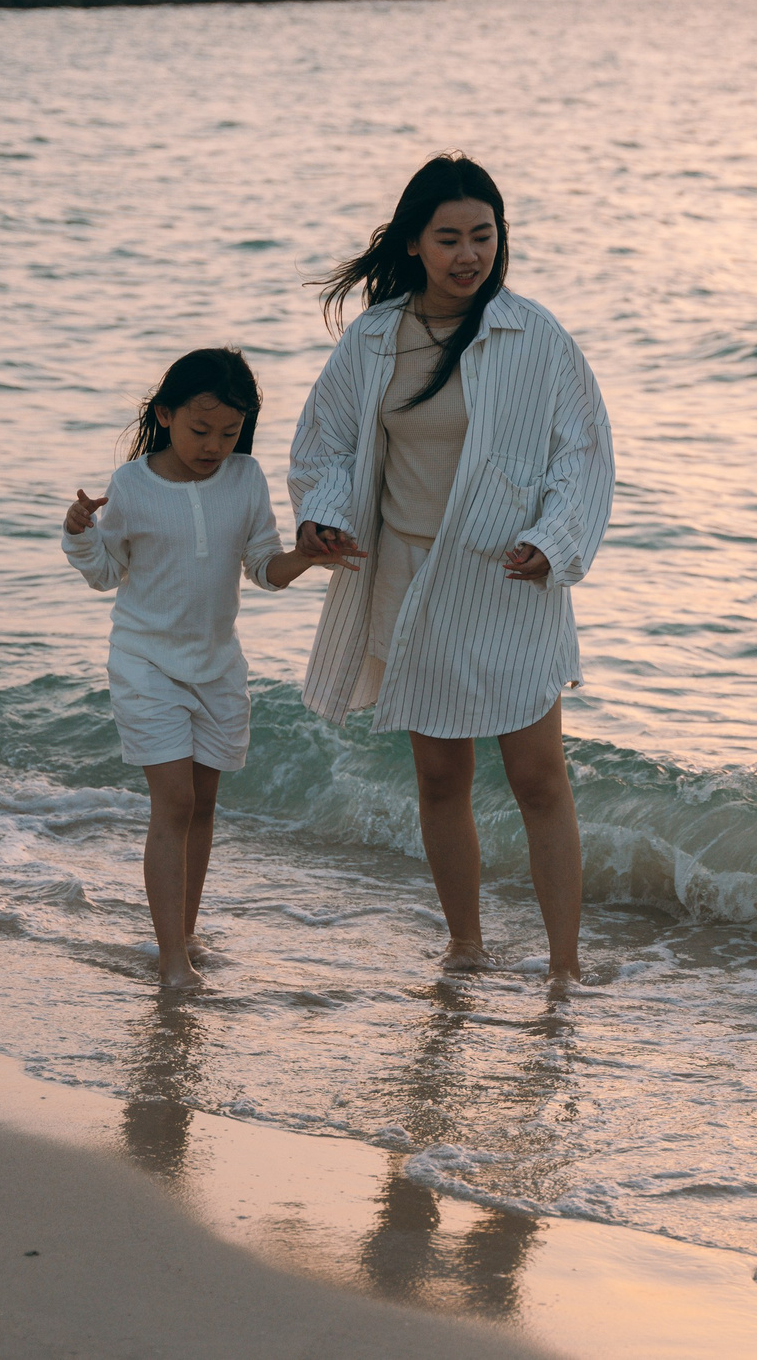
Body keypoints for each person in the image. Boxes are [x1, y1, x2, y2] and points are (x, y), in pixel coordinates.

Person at [289, 154, 614, 988]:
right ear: (413, 243)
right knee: (441, 776)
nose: (469, 255)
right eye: (448, 238)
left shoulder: (536, 336)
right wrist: (322, 514)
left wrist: (555, 540)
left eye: (483, 235)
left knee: (539, 778)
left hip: (510, 575)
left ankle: (565, 966)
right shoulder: (373, 339)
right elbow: (325, 444)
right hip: (410, 576)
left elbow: (583, 454)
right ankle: (465, 945)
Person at [61, 348, 341, 991]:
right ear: (165, 415)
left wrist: (308, 556)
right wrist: (80, 532)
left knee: (205, 804)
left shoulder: (245, 478)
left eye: (229, 432)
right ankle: (172, 964)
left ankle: (182, 935)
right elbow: (105, 574)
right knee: (176, 802)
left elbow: (264, 567)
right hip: (145, 662)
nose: (214, 445)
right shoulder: (132, 484)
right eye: (200, 429)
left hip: (218, 666)